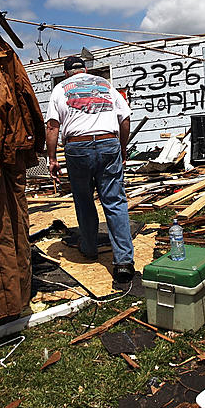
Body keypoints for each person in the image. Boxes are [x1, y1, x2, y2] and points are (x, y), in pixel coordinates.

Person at [45, 55, 136, 283]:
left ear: (67, 73)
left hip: (77, 147)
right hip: (108, 143)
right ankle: (123, 261)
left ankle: (89, 248)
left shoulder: (60, 89)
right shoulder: (105, 85)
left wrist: (52, 158)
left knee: (84, 200)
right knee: (114, 201)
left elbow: (52, 125)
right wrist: (122, 148)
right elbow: (125, 118)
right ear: (86, 70)